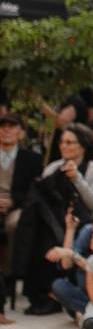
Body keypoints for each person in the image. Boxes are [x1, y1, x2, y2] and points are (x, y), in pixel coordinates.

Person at [12, 123, 93, 315]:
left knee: (74, 234)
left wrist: (77, 178)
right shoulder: (53, 167)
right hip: (54, 221)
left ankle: (66, 291)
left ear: (83, 146)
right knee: (37, 234)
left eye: (70, 142)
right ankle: (45, 294)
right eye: (62, 142)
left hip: (82, 221)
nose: (64, 146)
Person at [0, 112, 43, 277]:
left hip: (18, 206)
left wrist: (13, 201)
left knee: (16, 223)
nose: (6, 130)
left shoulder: (33, 159)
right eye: (3, 126)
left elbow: (35, 191)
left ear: (22, 133)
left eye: (12, 126)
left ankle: (10, 274)